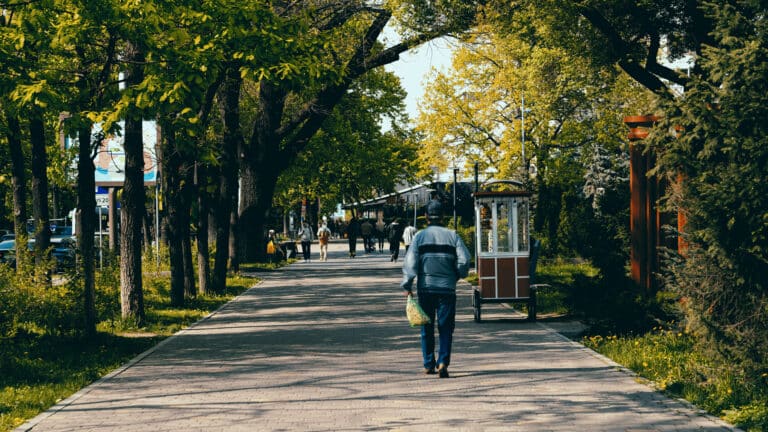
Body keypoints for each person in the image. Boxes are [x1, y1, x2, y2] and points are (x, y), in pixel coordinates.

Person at [400, 199, 470, 378]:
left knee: (426, 326)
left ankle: (428, 363)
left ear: (426, 216)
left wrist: (407, 285)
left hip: (426, 289)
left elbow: (410, 263)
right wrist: (457, 275)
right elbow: (464, 260)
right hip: (447, 289)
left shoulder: (419, 237)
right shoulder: (453, 236)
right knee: (446, 327)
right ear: (443, 216)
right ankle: (443, 362)